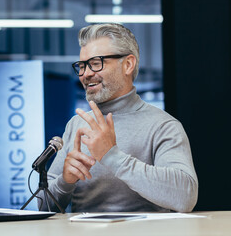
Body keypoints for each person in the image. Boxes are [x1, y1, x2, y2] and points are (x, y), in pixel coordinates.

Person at [38, 23, 198, 213]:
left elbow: (185, 197)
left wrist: (112, 157)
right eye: (81, 66)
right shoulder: (76, 124)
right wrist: (65, 181)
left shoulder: (163, 126)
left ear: (128, 64)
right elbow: (43, 206)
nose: (86, 74)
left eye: (96, 63)